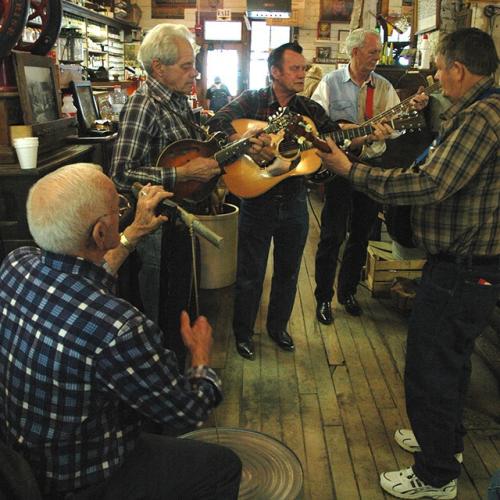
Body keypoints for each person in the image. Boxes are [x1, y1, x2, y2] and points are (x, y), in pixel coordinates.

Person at [317, 28, 499, 499]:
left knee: (430, 365)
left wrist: (352, 171)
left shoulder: (482, 117)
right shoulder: (480, 111)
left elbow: (430, 184)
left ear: (458, 68)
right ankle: (443, 441)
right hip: (462, 263)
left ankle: (435, 475)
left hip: (462, 266)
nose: (438, 77)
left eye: (440, 69)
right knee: (450, 363)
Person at [0, 163, 242, 499]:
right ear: (100, 233)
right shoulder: (121, 328)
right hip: (81, 477)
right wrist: (200, 357)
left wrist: (132, 235)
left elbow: (81, 279)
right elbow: (188, 410)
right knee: (223, 466)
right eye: (120, 208)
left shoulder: (15, 264)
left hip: (21, 462)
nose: (124, 212)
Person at [208, 42, 343, 360]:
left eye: (303, 68)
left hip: (295, 202)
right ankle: (243, 333)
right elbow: (217, 123)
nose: (302, 74)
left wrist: (363, 135)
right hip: (257, 201)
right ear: (275, 72)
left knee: (289, 272)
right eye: (295, 68)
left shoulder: (309, 110)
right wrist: (246, 141)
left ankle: (277, 328)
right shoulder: (252, 100)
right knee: (250, 273)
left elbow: (335, 136)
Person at [110, 23, 221, 367]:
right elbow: (121, 171)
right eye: (186, 66)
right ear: (159, 67)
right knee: (157, 308)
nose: (195, 73)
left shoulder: (177, 102)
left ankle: (174, 370)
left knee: (177, 304)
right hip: (153, 231)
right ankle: (158, 383)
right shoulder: (143, 104)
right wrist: (182, 174)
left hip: (177, 223)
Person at [312, 28, 428, 325]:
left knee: (361, 236)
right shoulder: (330, 83)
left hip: (371, 169)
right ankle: (323, 297)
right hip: (338, 168)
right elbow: (317, 126)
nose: (377, 58)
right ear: (354, 52)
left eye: (378, 52)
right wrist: (349, 137)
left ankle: (348, 292)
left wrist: (389, 131)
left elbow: (399, 125)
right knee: (332, 235)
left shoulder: (385, 87)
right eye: (372, 52)